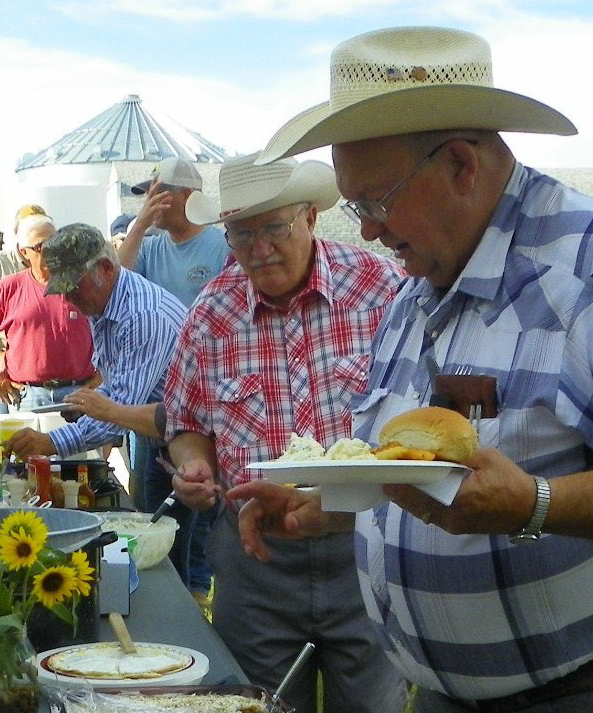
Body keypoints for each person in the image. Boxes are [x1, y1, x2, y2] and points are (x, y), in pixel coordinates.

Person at [219, 26, 593, 711]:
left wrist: (534, 503)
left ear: (462, 166)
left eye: (376, 201)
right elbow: (425, 480)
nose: (370, 230)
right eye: (355, 207)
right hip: (441, 693)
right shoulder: (416, 289)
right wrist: (334, 507)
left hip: (584, 693)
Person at [160, 154, 408, 713]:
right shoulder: (211, 312)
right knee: (258, 705)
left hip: (364, 548)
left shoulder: (381, 289)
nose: (259, 248)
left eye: (275, 227)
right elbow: (185, 422)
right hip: (256, 558)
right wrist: (194, 463)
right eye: (242, 233)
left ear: (311, 219)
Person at [0, 217, 96, 411]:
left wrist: (102, 377)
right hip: (29, 398)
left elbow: (112, 325)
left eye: (55, 241)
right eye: (41, 246)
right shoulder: (10, 288)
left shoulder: (82, 284)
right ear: (24, 253)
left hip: (80, 394)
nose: (52, 250)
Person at [118, 157, 231, 307]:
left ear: (186, 195)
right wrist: (139, 225)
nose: (150, 202)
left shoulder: (224, 246)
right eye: (148, 195)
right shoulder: (148, 248)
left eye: (157, 193)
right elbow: (116, 287)